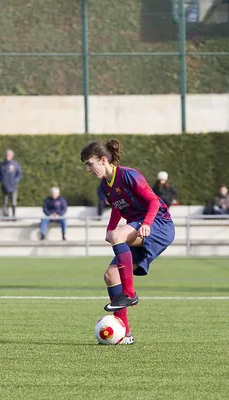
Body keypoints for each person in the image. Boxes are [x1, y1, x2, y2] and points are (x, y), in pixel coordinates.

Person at [81, 139, 175, 345]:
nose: (88, 169)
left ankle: (129, 294)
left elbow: (153, 201)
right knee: (111, 274)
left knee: (118, 236)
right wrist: (109, 229)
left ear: (103, 160)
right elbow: (117, 207)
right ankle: (125, 334)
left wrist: (147, 223)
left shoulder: (129, 175)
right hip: (139, 224)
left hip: (159, 224)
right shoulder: (106, 185)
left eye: (90, 163)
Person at [0, 149, 22, 219]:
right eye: (7, 154)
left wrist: (15, 181)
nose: (8, 156)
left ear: (12, 156)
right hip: (4, 187)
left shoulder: (15, 164)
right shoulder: (2, 165)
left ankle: (14, 216)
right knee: (5, 203)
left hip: (13, 187)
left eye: (9, 155)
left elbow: (19, 174)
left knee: (14, 202)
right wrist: (2, 181)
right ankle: (6, 217)